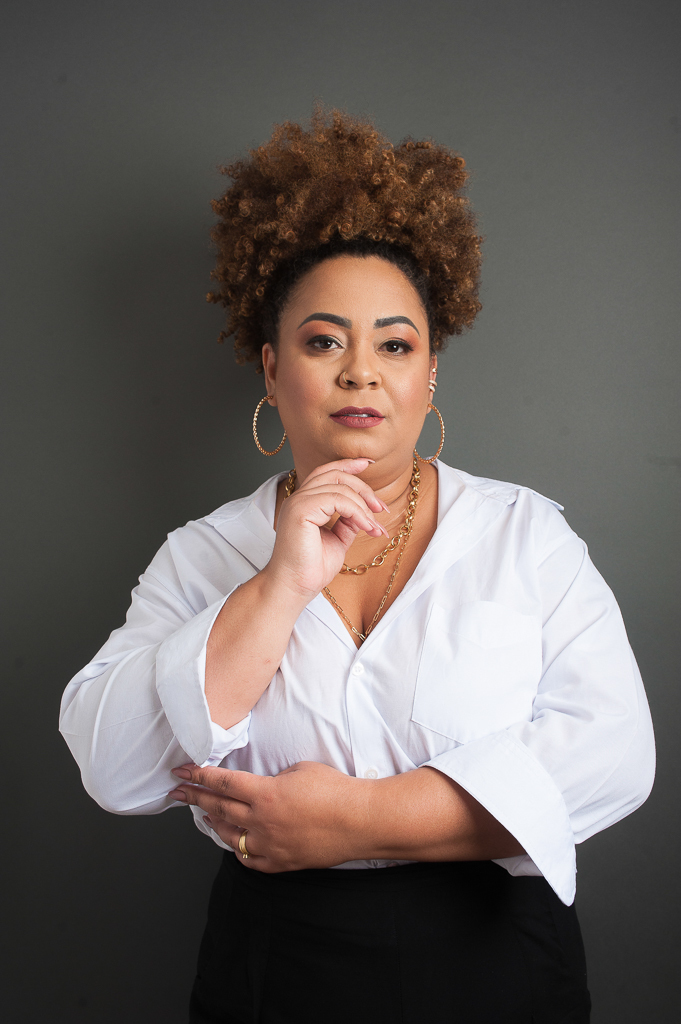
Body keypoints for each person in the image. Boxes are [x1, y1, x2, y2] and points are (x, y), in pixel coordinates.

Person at [60, 108, 655, 1024]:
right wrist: (280, 585)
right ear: (271, 370)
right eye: (323, 340)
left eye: (395, 344)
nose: (360, 373)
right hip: (276, 966)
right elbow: (115, 768)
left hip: (499, 958)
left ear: (428, 374)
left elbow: (613, 757)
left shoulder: (523, 534)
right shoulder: (203, 553)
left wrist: (354, 821)